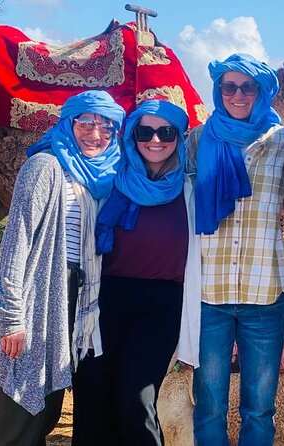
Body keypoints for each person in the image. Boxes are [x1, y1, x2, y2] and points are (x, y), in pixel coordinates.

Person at [0, 90, 125, 446]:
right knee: (19, 411)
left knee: (45, 411)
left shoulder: (104, 177)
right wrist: (12, 317)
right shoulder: (46, 167)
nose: (96, 134)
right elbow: (17, 244)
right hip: (34, 297)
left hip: (72, 301)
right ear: (68, 123)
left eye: (106, 126)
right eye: (86, 123)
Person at [71, 99, 200, 446]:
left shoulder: (190, 189)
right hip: (105, 298)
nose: (155, 140)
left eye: (166, 131)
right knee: (92, 392)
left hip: (162, 305)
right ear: (132, 136)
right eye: (145, 131)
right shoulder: (108, 182)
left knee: (136, 398)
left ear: (179, 136)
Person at [189, 53, 284, 446]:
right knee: (210, 404)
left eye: (248, 87)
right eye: (229, 86)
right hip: (209, 293)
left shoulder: (283, 140)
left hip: (263, 293)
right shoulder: (199, 139)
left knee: (260, 408)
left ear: (262, 91)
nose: (238, 94)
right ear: (219, 91)